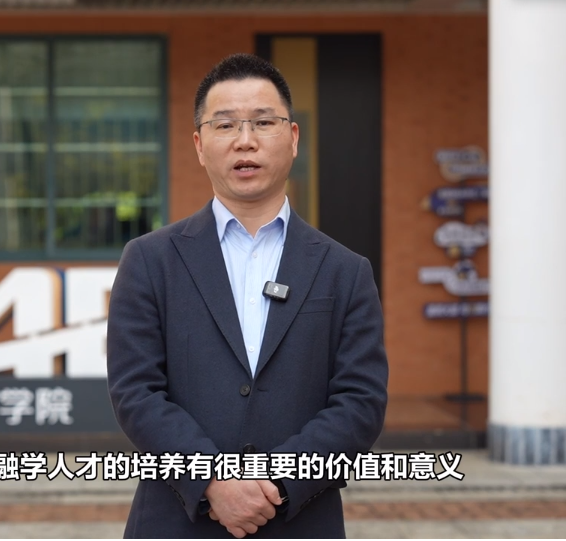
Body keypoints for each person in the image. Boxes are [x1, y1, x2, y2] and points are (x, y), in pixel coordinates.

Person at [106, 53, 388, 538]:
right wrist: (212, 482)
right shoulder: (150, 260)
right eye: (225, 125)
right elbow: (135, 391)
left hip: (300, 520)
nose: (245, 140)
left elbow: (361, 401)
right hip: (177, 521)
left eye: (263, 122)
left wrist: (274, 484)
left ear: (293, 137)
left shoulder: (345, 270)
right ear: (199, 145)